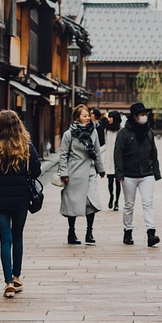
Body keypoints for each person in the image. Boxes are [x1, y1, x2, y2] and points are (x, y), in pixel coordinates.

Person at [0, 109, 41, 299]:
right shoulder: (26, 146)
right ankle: (17, 276)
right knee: (17, 236)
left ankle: (8, 283)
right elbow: (36, 170)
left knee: (5, 239)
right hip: (21, 197)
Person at [114, 102, 162, 247]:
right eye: (142, 115)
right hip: (129, 174)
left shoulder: (149, 132)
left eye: (145, 115)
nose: (144, 117)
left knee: (148, 202)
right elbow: (118, 154)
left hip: (146, 173)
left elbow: (153, 152)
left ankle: (151, 233)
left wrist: (156, 171)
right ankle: (128, 231)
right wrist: (119, 173)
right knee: (129, 204)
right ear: (134, 116)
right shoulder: (123, 133)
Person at [58, 104, 105, 245]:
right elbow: (63, 155)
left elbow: (97, 151)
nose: (87, 118)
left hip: (90, 171)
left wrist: (100, 169)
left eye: (88, 115)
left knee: (91, 202)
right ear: (77, 118)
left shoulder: (93, 132)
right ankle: (71, 232)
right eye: (84, 116)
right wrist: (64, 173)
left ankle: (89, 231)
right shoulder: (69, 134)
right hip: (74, 172)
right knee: (72, 203)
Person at [103, 110, 122, 209]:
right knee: (110, 182)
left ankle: (117, 202)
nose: (109, 119)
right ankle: (111, 196)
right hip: (109, 159)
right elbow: (105, 145)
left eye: (111, 117)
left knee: (118, 182)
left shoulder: (121, 130)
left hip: (118, 160)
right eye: (108, 117)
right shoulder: (106, 130)